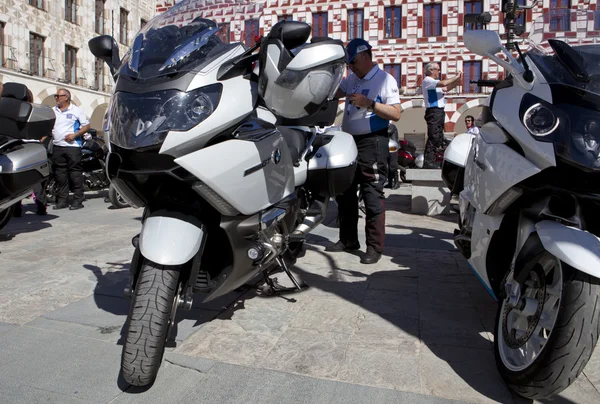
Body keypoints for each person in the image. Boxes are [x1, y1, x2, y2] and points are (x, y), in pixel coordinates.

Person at [326, 38, 401, 264]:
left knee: (371, 194)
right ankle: (348, 239)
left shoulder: (384, 79)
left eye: (354, 62)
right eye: (349, 64)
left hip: (372, 142)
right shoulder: (352, 79)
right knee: (345, 192)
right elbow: (333, 93)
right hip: (348, 141)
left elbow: (396, 113)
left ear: (367, 56)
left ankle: (374, 247)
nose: (352, 67)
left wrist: (370, 104)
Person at [51, 88, 90, 210]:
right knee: (60, 173)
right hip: (58, 146)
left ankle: (78, 199)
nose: (56, 98)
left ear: (66, 97)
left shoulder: (76, 110)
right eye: (56, 96)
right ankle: (63, 200)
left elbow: (86, 126)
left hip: (72, 147)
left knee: (75, 173)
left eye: (58, 96)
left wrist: (74, 135)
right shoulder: (53, 111)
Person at [421, 62, 462, 168]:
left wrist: (458, 79)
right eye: (437, 69)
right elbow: (444, 83)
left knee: (439, 137)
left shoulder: (434, 83)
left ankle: (433, 159)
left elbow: (447, 88)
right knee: (433, 136)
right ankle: (428, 162)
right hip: (433, 111)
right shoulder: (428, 81)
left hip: (439, 112)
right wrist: (455, 76)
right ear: (431, 70)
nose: (439, 71)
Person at [386, 124, 400, 190]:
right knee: (388, 167)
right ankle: (390, 183)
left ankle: (396, 183)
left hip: (393, 147)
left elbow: (388, 132)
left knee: (393, 166)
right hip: (389, 147)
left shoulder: (391, 126)